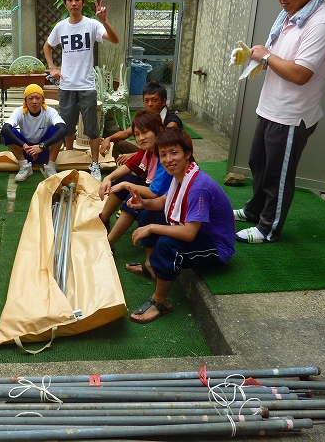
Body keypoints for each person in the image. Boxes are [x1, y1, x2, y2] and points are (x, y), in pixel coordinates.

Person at [234, 0, 325, 244]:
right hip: (270, 107)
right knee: (259, 164)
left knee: (277, 176)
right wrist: (253, 56)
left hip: (292, 115)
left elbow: (301, 73)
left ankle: (268, 229)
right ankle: (254, 211)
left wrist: (266, 57)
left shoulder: (321, 22)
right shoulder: (290, 16)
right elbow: (280, 59)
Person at [125, 129, 236, 323]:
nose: (168, 159)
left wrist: (152, 228)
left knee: (166, 244)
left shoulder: (198, 186)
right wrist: (144, 203)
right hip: (200, 234)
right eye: (163, 155)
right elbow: (163, 201)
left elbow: (189, 233)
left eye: (174, 152)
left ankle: (160, 302)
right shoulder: (181, 175)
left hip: (216, 249)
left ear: (187, 154)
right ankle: (151, 267)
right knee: (149, 214)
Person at [43, 0, 119, 181]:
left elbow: (114, 39)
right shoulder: (61, 26)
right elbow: (47, 46)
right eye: (70, 0)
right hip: (67, 86)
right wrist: (52, 67)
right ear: (66, 4)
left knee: (92, 128)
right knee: (67, 127)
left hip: (87, 86)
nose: (74, 3)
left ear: (83, 3)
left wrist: (105, 20)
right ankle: (69, 158)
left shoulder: (93, 24)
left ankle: (95, 164)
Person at [98, 109, 163, 250]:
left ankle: (108, 244)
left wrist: (125, 185)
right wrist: (108, 178)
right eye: (137, 134)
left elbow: (155, 193)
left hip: (170, 201)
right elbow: (130, 166)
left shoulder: (165, 153)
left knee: (132, 196)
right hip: (158, 192)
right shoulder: (148, 148)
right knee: (125, 179)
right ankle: (102, 220)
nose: (141, 138)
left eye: (145, 132)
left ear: (159, 130)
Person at [99, 81, 183, 165]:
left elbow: (165, 147)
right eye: (146, 100)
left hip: (165, 158)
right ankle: (119, 166)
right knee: (119, 144)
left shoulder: (172, 122)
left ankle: (142, 171)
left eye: (154, 100)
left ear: (163, 101)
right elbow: (126, 133)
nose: (150, 104)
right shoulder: (146, 117)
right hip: (147, 153)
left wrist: (135, 155)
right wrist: (108, 139)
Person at [0, 84, 67, 181]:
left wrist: (42, 146)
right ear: (25, 100)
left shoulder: (50, 111)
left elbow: (63, 129)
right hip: (26, 152)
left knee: (58, 129)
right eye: (30, 98)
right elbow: (5, 129)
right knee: (9, 131)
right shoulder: (19, 111)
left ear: (42, 99)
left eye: (38, 98)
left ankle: (50, 166)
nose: (34, 101)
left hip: (45, 151)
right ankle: (24, 166)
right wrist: (24, 146)